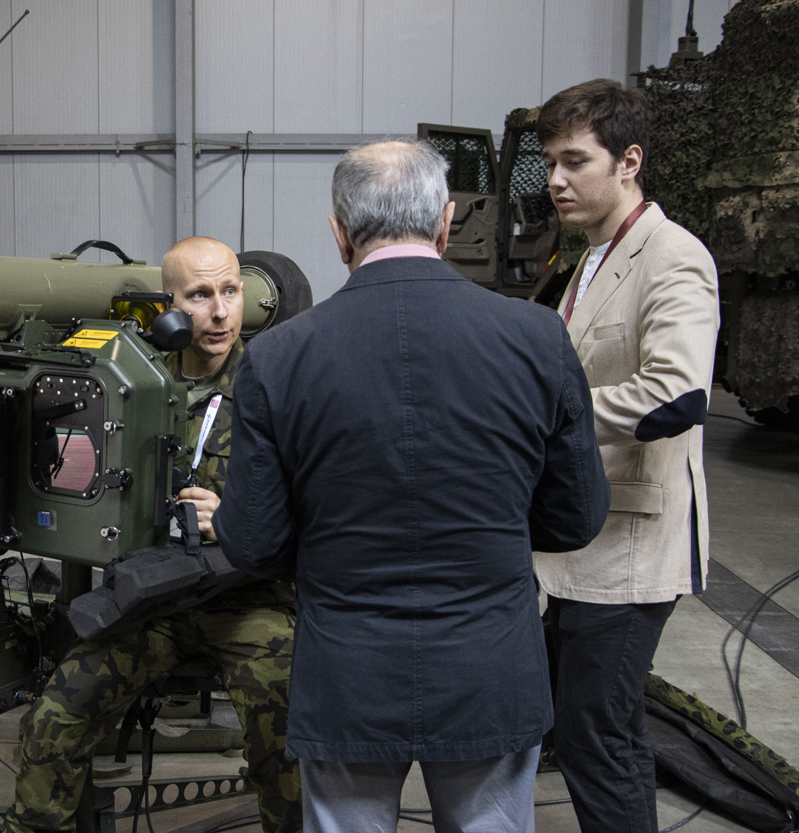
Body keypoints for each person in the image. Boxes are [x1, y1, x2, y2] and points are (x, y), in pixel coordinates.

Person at [212, 139, 610, 833]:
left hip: (348, 671)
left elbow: (255, 543)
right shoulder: (536, 337)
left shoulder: (275, 357)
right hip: (489, 664)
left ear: (339, 232)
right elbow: (575, 518)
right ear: (446, 223)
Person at [3, 236, 301, 833]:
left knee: (288, 737)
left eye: (231, 292)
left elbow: (323, 506)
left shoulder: (279, 384)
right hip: (151, 597)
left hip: (247, 599)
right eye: (200, 296)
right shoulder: (131, 384)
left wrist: (239, 516)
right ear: (168, 304)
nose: (220, 313)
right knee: (54, 719)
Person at [534, 79, 721, 833]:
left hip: (631, 548)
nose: (556, 179)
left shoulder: (673, 256)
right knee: (587, 727)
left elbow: (676, 396)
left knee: (597, 737)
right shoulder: (588, 258)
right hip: (583, 538)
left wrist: (546, 419)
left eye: (575, 161)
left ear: (629, 161)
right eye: (550, 162)